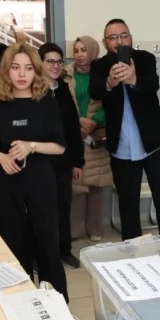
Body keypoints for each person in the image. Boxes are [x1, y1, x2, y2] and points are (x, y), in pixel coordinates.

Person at [0, 42, 69, 302]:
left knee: (47, 244)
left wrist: (31, 146)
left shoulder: (46, 103)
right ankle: (22, 303)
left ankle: (56, 304)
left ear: (36, 72)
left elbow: (60, 147)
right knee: (13, 244)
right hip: (8, 183)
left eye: (28, 68)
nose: (22, 74)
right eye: (16, 68)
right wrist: (1, 157)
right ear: (6, 71)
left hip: (40, 181)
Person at [89, 19, 160, 240]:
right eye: (113, 37)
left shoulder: (145, 58)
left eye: (124, 35)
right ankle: (133, 253)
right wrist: (110, 82)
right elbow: (94, 91)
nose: (119, 41)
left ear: (131, 38)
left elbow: (153, 84)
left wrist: (134, 78)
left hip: (154, 143)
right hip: (121, 148)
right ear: (105, 42)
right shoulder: (99, 66)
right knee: (128, 207)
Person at [39, 42, 85, 269]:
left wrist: (77, 161)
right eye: (50, 61)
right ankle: (42, 254)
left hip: (63, 161)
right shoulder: (33, 91)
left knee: (63, 205)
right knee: (41, 208)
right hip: (40, 162)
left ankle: (64, 250)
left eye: (59, 62)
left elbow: (73, 129)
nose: (56, 66)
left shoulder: (64, 90)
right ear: (40, 63)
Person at [67, 35, 112, 243]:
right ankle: (75, 230)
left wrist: (93, 121)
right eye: (76, 51)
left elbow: (111, 103)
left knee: (95, 184)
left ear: (93, 51)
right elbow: (63, 104)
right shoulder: (66, 74)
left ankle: (95, 228)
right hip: (74, 133)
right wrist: (78, 122)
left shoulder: (102, 72)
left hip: (95, 134)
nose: (79, 55)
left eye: (84, 50)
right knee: (76, 183)